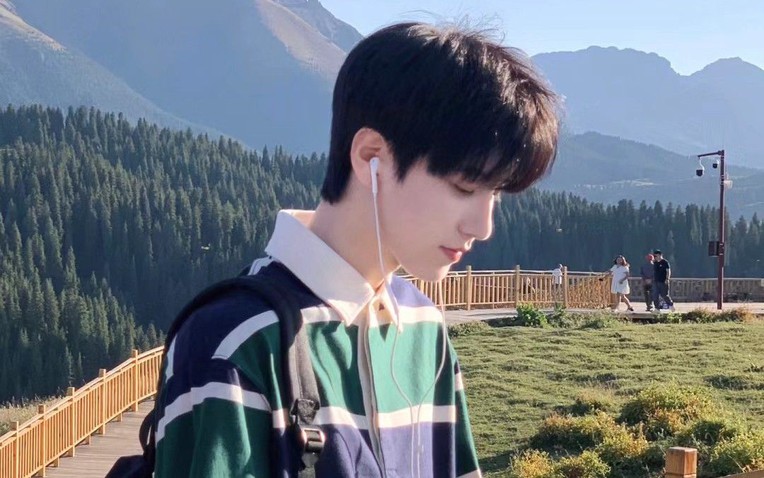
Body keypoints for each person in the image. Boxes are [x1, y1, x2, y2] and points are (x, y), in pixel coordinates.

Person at [153, 22, 559, 478]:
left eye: (496, 193)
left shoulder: (424, 327)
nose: (483, 227)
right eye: (464, 187)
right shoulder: (235, 343)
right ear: (371, 156)